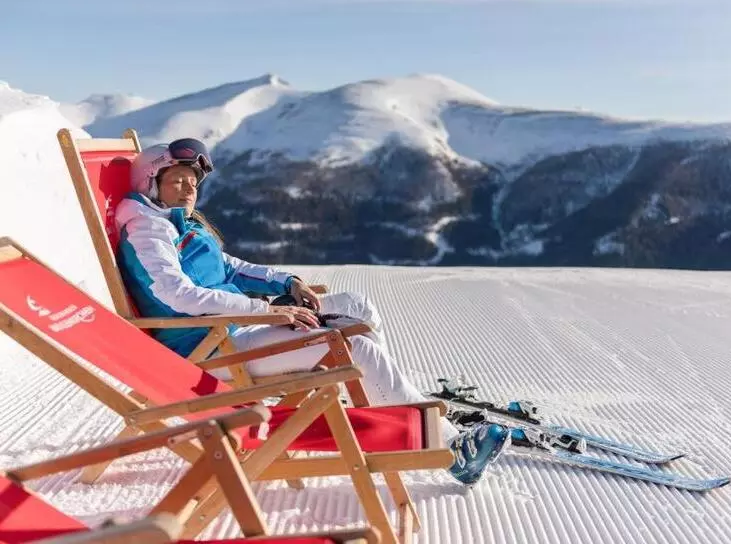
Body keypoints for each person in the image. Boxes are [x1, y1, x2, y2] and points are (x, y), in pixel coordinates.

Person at [115, 137, 510, 485]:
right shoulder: (148, 232)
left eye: (193, 181)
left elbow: (229, 268)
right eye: (178, 181)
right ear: (152, 183)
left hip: (234, 328)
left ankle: (384, 398)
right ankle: (451, 451)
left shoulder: (179, 223)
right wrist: (264, 311)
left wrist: (286, 283)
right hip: (209, 349)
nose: (189, 189)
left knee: (355, 305)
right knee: (356, 349)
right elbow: (178, 295)